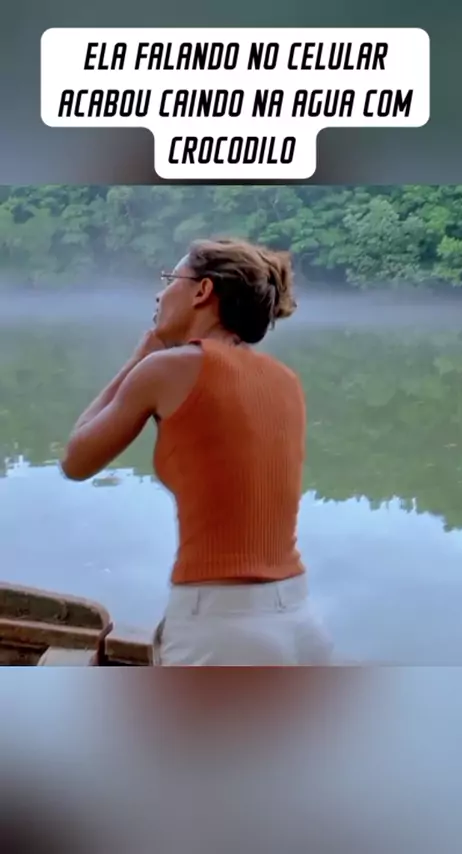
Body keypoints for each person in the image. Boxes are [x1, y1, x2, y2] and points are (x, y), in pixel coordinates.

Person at [61, 238, 332, 666]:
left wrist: (139, 359)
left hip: (222, 632)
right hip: (300, 621)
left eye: (169, 279)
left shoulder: (168, 368)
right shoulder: (285, 381)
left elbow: (76, 460)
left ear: (202, 291)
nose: (159, 293)